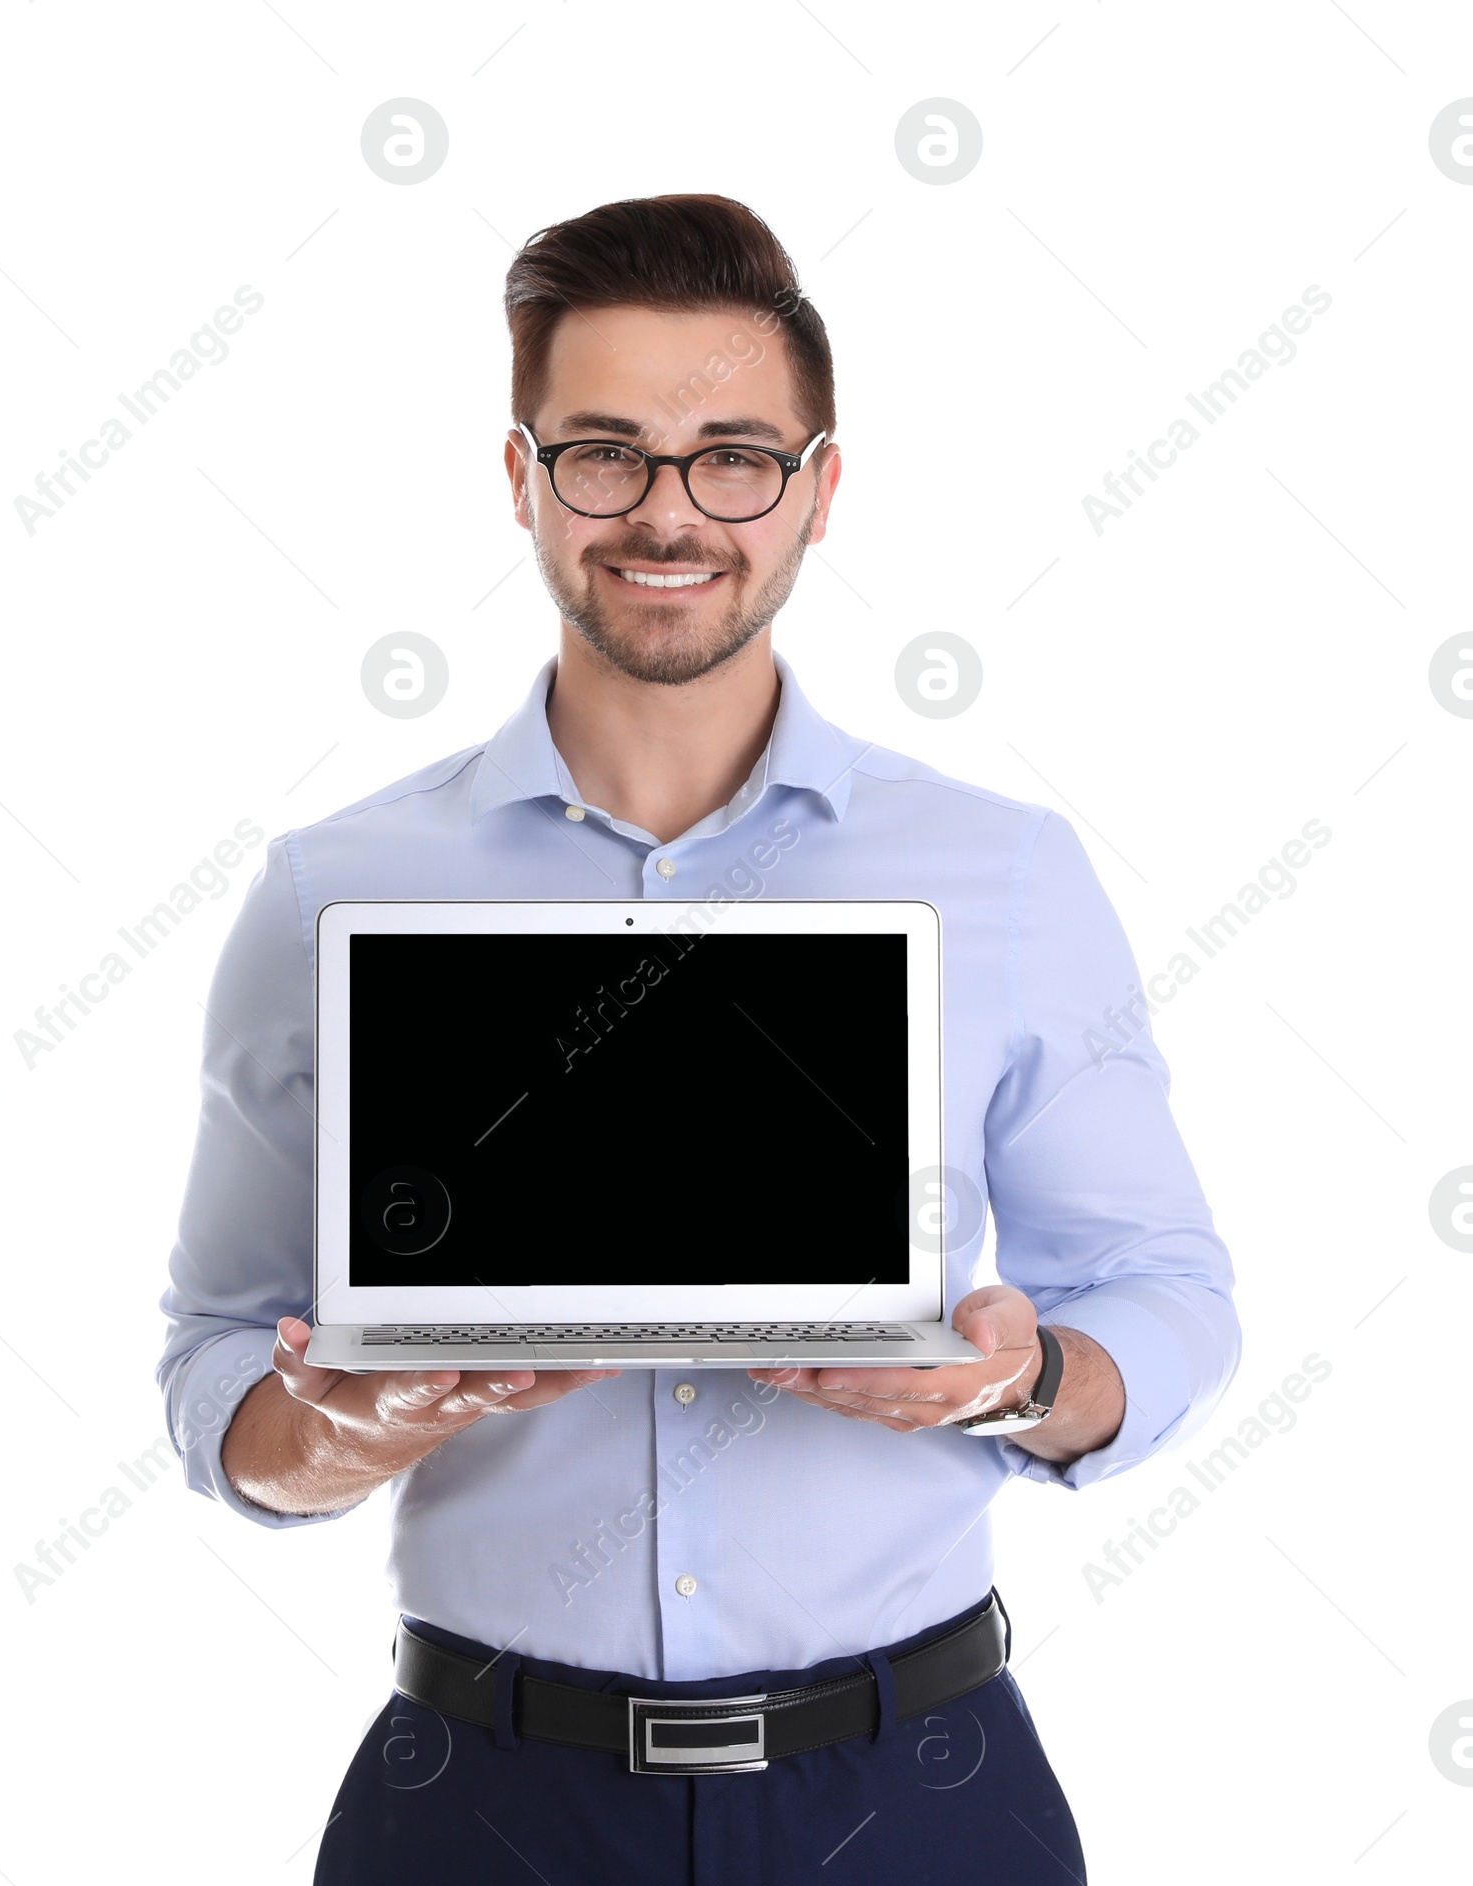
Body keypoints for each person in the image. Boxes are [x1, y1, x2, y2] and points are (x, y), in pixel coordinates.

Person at [158, 194, 1239, 1883]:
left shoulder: (1007, 871)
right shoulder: (332, 888)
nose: (669, 511)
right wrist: (330, 1435)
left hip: (919, 1790)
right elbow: (219, 1351)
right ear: (520, 477)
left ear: (819, 486)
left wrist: (1020, 1378)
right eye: (606, 452)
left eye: (734, 454)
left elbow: (1170, 1289)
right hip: (482, 1798)